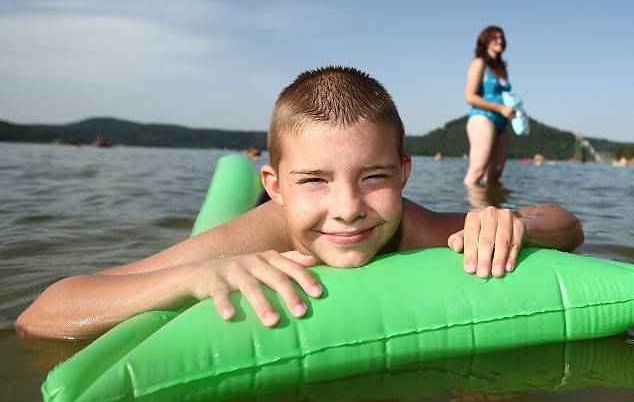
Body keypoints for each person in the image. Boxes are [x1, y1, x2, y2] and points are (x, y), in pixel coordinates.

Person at [16, 67, 584, 340]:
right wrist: (193, 277)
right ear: (276, 185)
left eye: (374, 176)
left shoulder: (409, 226)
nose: (348, 208)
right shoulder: (253, 238)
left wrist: (508, 224)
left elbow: (565, 222)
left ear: (405, 174)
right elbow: (43, 313)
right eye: (313, 180)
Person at [463, 26, 514, 185]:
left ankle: (490, 206)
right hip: (483, 117)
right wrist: (500, 108)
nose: (500, 40)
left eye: (501, 38)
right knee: (478, 170)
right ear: (485, 41)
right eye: (495, 37)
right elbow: (470, 97)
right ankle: (468, 209)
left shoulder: (502, 68)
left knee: (496, 172)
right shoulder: (479, 63)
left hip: (502, 122)